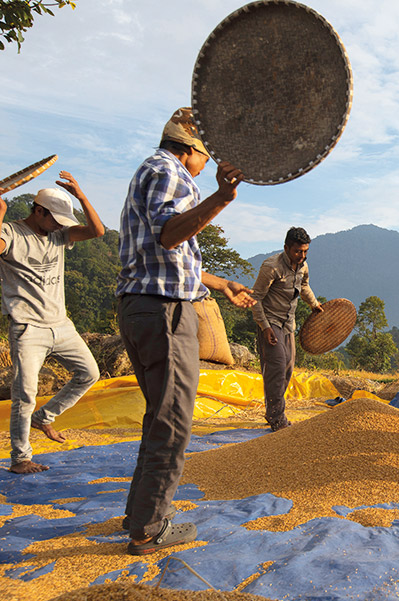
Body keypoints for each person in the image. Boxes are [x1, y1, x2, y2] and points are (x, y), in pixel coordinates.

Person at [116, 107, 256, 555]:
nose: (207, 163)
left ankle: (138, 513)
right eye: (206, 154)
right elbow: (170, 236)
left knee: (160, 412)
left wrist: (222, 283)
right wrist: (220, 199)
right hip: (163, 313)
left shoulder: (148, 171)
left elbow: (168, 257)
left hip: (140, 306)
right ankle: (150, 527)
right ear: (191, 150)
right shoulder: (172, 172)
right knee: (174, 419)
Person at [0, 172, 104, 475]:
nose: (60, 225)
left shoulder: (60, 234)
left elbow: (97, 231)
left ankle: (44, 417)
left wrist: (81, 195)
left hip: (60, 323)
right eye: (55, 218)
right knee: (25, 393)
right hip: (28, 327)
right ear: (38, 211)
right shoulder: (12, 232)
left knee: (89, 373)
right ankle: (20, 458)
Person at [250, 227, 323, 431]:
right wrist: (264, 327)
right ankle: (276, 419)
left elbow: (305, 285)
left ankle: (274, 412)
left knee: (288, 368)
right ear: (286, 248)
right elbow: (255, 299)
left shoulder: (302, 266)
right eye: (297, 251)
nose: (302, 255)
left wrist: (314, 304)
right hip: (270, 321)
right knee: (277, 367)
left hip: (288, 323)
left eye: (305, 251)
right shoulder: (271, 267)